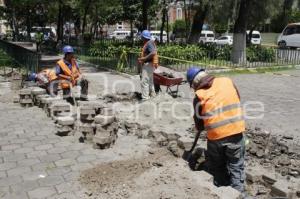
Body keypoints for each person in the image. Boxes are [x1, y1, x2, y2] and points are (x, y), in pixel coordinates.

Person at [187, 67, 246, 193]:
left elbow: (199, 123)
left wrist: (202, 125)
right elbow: (237, 99)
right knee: (236, 167)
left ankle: (221, 190)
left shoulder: (199, 96)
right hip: (235, 132)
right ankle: (238, 193)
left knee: (218, 167)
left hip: (215, 138)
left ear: (194, 84)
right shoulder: (227, 81)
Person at [138, 30, 159, 100]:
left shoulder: (149, 43)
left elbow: (153, 53)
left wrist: (144, 58)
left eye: (142, 37)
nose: (141, 38)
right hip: (150, 65)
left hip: (148, 65)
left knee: (144, 81)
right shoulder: (150, 42)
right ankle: (152, 95)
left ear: (144, 37)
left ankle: (145, 98)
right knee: (150, 81)